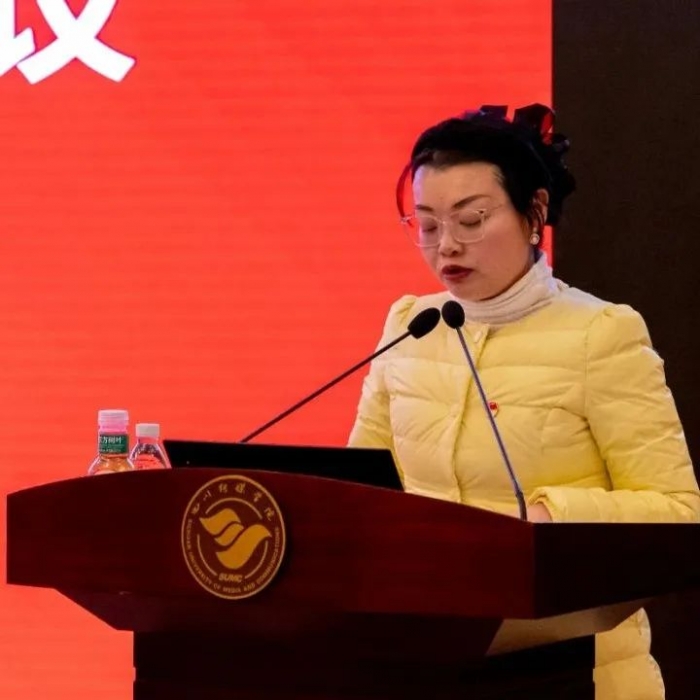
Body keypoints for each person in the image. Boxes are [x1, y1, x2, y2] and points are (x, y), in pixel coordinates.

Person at [347, 103, 700, 700]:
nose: (446, 246)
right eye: (427, 225)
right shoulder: (410, 325)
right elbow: (362, 490)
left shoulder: (601, 334)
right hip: (431, 661)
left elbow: (676, 511)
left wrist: (548, 518)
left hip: (576, 670)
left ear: (534, 213)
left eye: (471, 220)